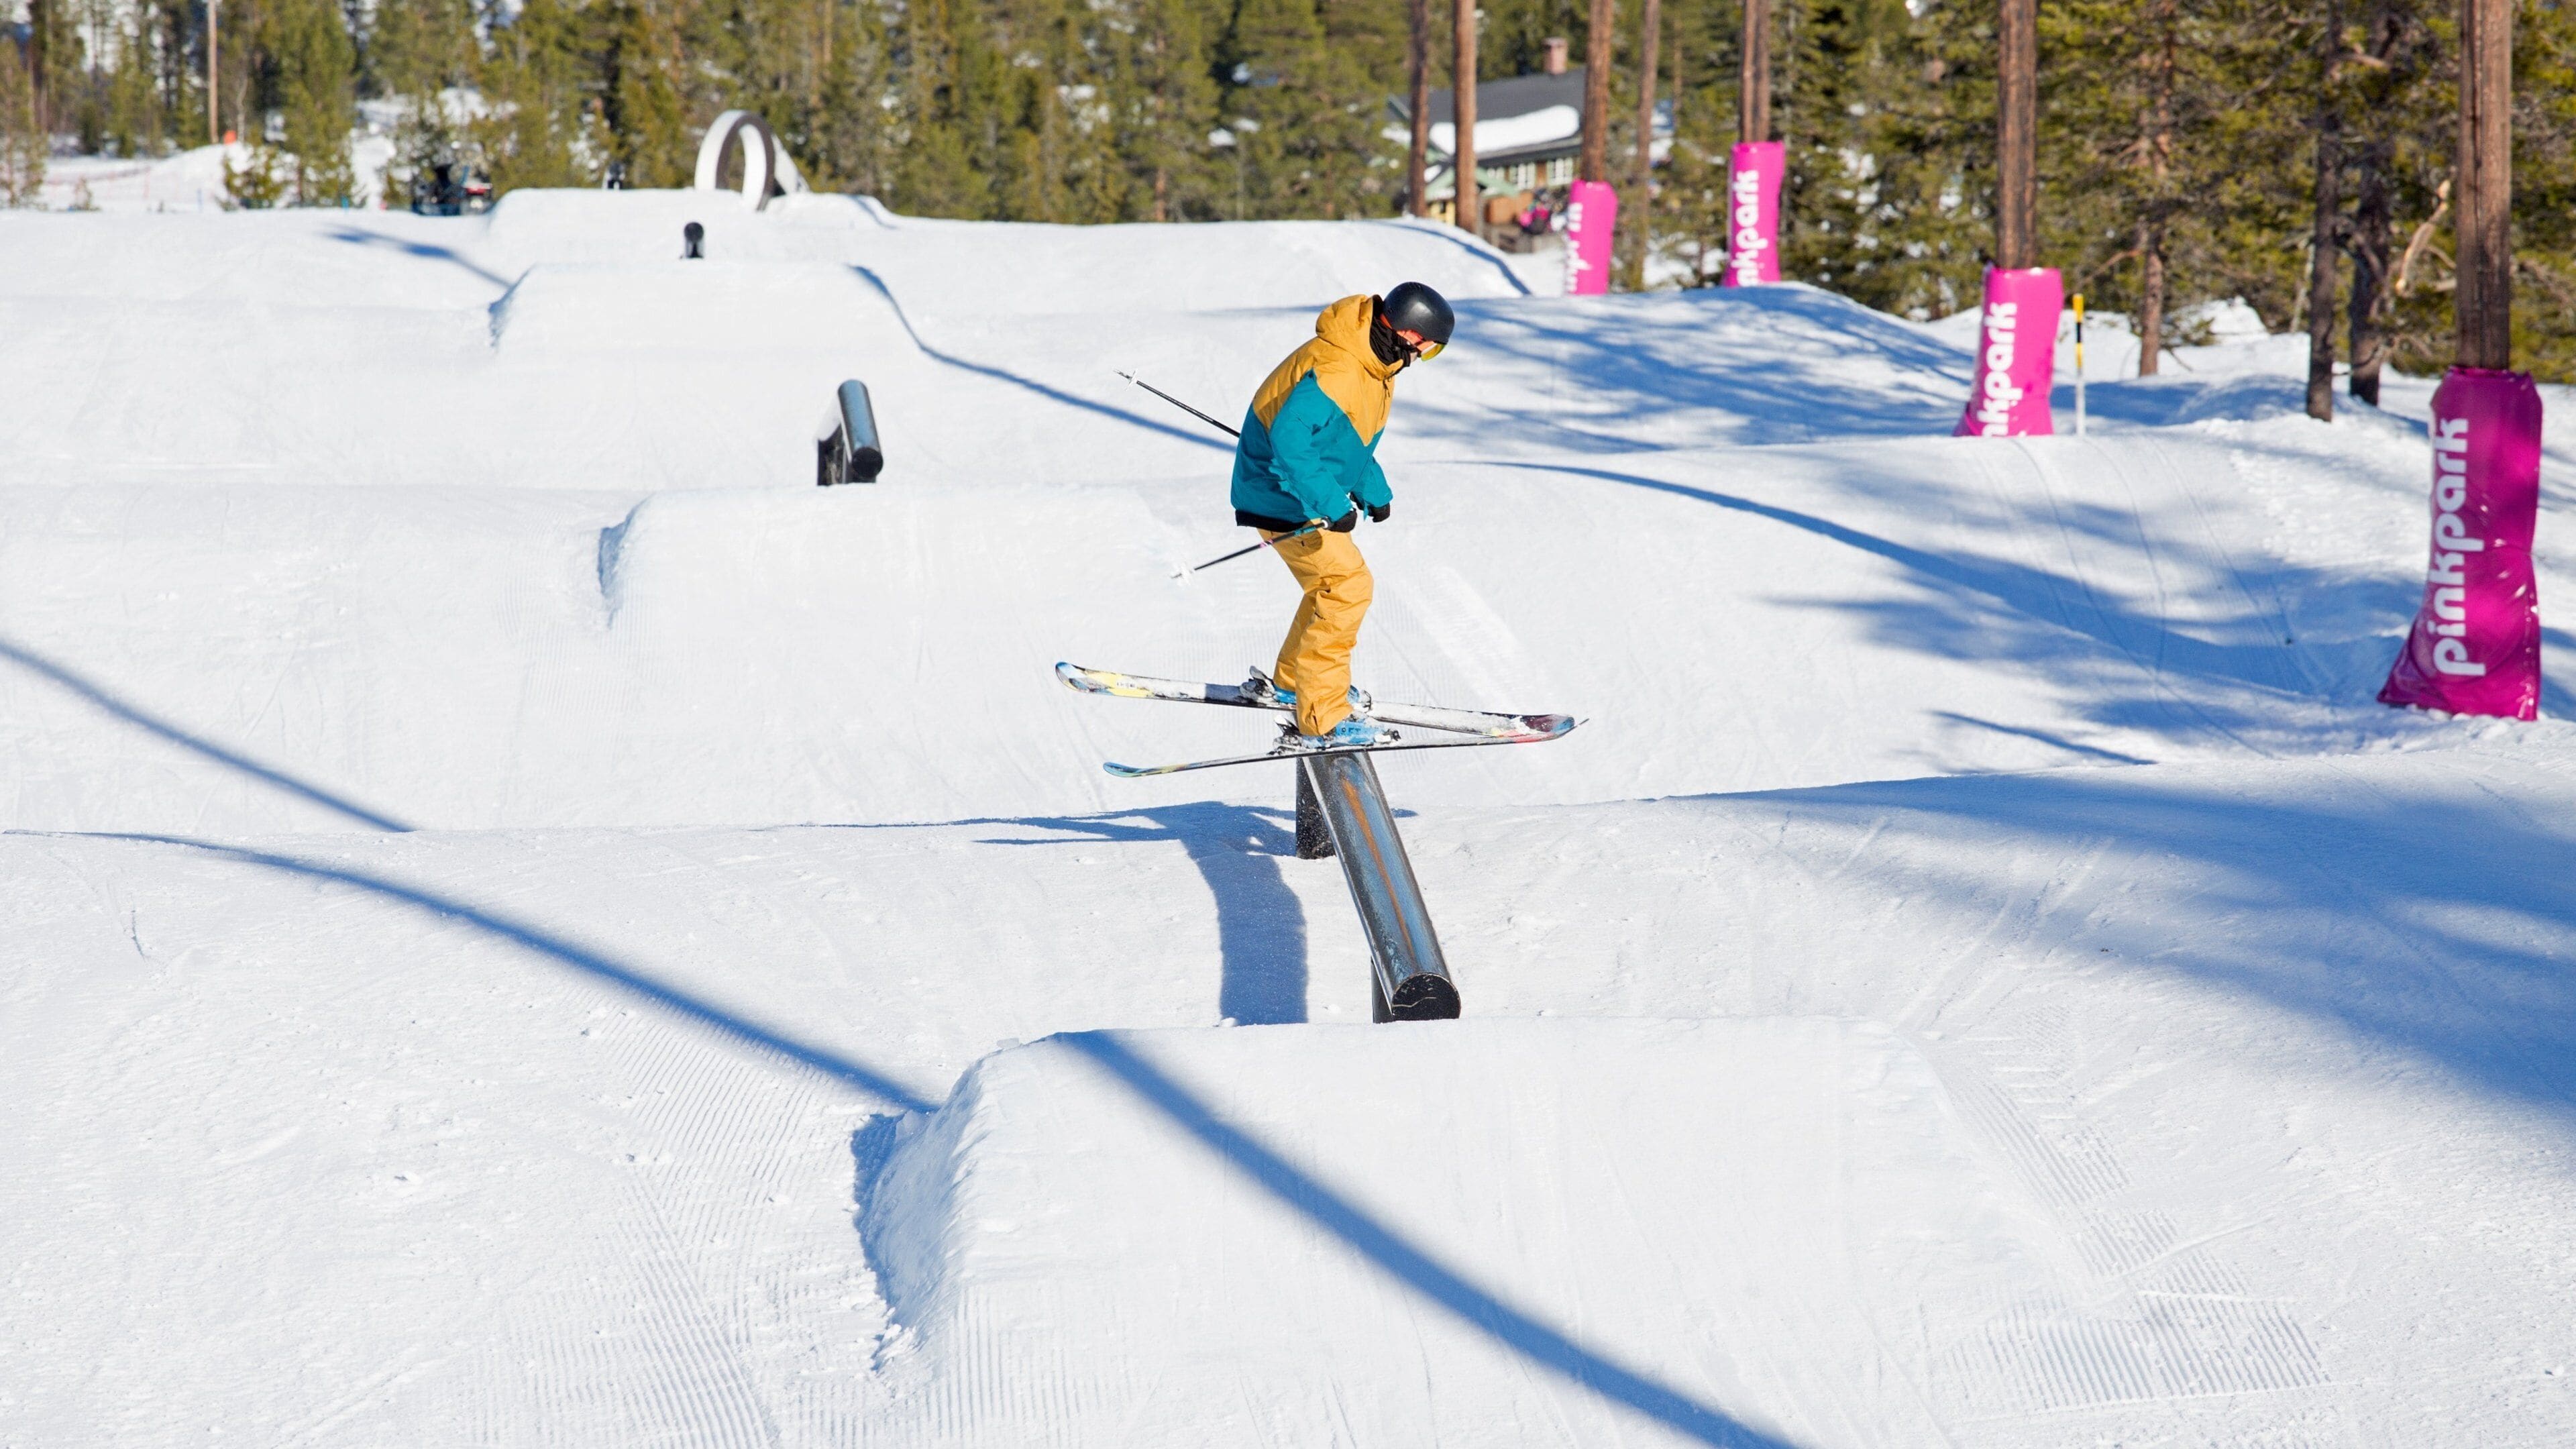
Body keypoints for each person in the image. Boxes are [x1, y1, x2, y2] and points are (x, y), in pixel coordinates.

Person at [1229, 283, 1456, 747]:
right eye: (1427, 351)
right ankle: (1322, 715)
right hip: (1281, 492)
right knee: (1347, 587)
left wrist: (1371, 488)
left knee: (1330, 585)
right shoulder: (1341, 367)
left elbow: (1341, 440)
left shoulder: (1369, 364)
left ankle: (1298, 683)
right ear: (1408, 334)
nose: (1421, 359)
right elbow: (1291, 441)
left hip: (1291, 488)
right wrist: (1332, 502)